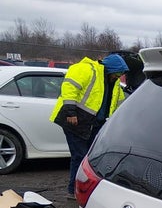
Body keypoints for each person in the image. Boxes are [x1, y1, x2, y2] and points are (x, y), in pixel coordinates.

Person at [50, 53, 129, 198]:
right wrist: (70, 113)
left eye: (120, 74)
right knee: (80, 156)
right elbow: (69, 90)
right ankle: (73, 190)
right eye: (117, 74)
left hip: (94, 123)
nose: (118, 77)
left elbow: (118, 102)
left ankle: (87, 188)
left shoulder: (114, 82)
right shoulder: (86, 70)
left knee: (91, 157)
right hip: (75, 121)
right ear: (109, 69)